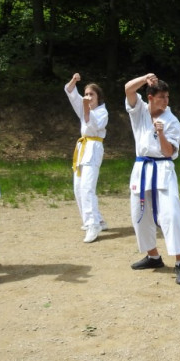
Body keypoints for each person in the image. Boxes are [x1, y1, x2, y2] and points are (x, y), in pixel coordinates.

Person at [125, 73, 180, 285]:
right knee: (139, 214)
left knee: (171, 214)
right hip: (142, 167)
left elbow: (169, 152)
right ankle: (153, 256)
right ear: (150, 97)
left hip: (163, 168)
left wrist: (161, 134)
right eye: (161, 97)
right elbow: (128, 89)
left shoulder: (172, 121)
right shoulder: (140, 111)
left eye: (167, 97)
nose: (166, 100)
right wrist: (145, 78)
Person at [64, 73, 108, 243]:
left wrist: (86, 108)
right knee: (78, 187)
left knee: (87, 188)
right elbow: (71, 93)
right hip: (82, 148)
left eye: (92, 94)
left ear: (98, 97)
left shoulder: (102, 112)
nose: (88, 97)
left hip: (94, 148)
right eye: (87, 94)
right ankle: (98, 220)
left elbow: (93, 125)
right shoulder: (84, 108)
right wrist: (74, 81)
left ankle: (93, 224)